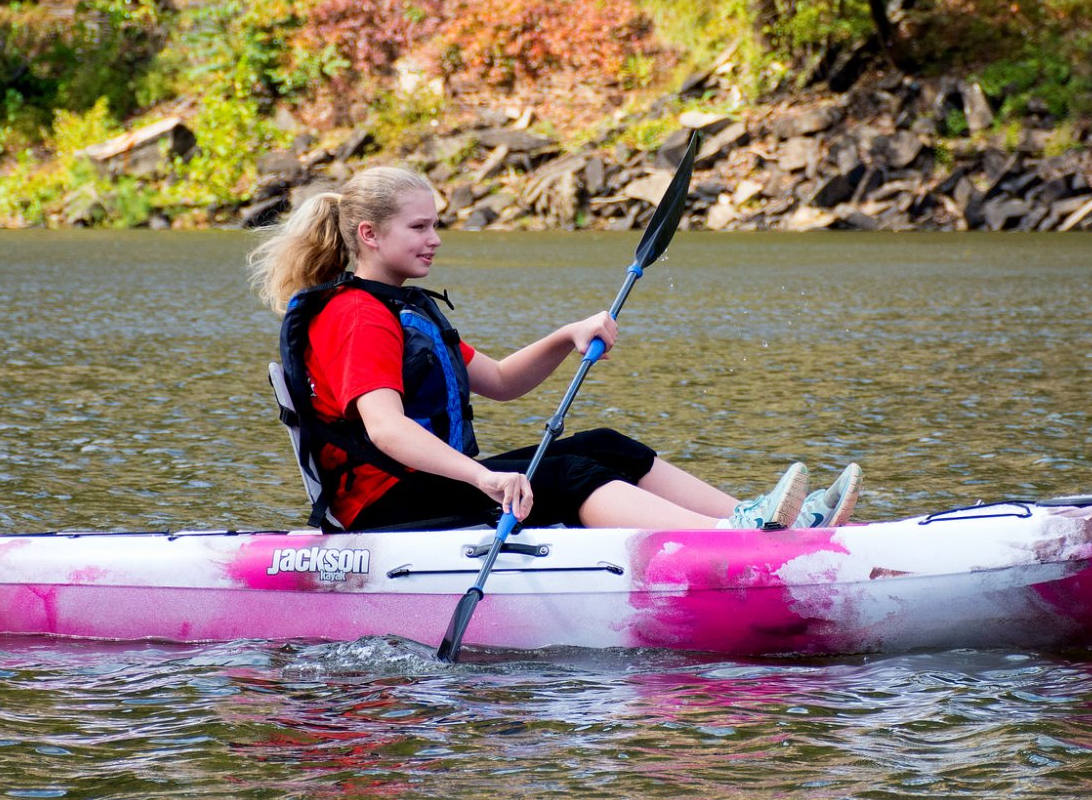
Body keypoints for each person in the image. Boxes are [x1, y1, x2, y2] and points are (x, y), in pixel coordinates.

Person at [249, 165, 862, 534]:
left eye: (437, 224)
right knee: (565, 470)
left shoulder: (403, 310)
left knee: (602, 445)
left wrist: (567, 336)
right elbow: (385, 431)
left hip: (427, 485)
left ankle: (761, 521)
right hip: (387, 507)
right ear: (369, 234)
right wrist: (484, 479)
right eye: (420, 227)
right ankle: (731, 537)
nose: (435, 239)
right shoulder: (357, 317)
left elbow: (502, 380)